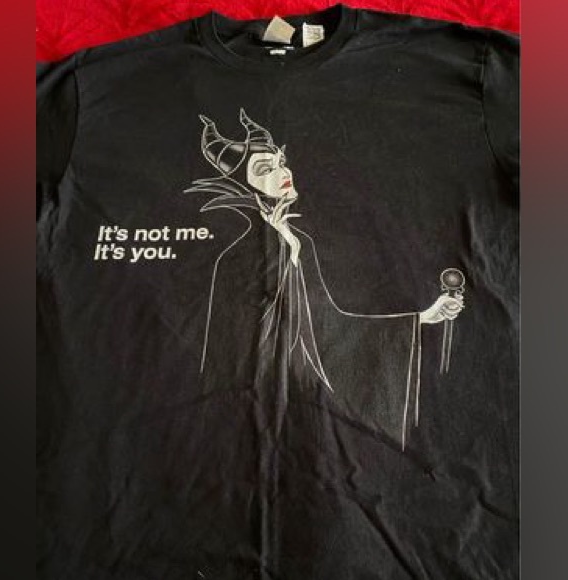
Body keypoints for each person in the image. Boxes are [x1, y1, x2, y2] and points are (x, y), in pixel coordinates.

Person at [183, 108, 464, 449]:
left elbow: (329, 326)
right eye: (265, 170)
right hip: (248, 419)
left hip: (309, 413)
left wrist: (421, 318)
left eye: (281, 162)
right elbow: (231, 356)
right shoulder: (235, 258)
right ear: (243, 186)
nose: (283, 172)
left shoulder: (299, 242)